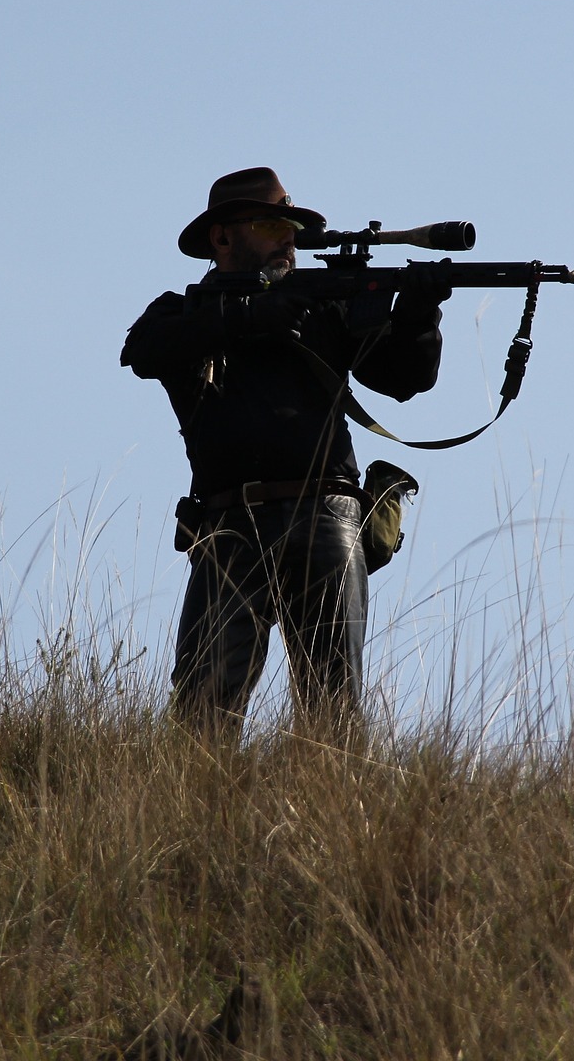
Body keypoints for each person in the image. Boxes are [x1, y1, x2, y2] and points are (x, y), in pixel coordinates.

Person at [121, 167, 450, 734]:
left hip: (328, 516)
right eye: (272, 224)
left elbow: (404, 378)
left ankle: (337, 818)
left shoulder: (319, 307)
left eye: (293, 226)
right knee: (203, 708)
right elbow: (143, 350)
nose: (289, 238)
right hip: (228, 523)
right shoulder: (184, 313)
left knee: (333, 706)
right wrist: (249, 317)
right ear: (222, 237)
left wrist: (420, 316)